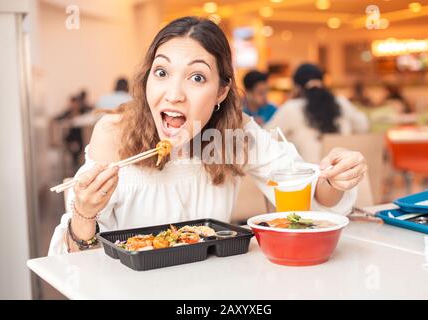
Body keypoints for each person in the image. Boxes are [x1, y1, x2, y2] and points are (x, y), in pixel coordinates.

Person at [49, 17, 366, 255]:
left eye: (197, 77)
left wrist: (333, 180)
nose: (173, 94)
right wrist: (84, 213)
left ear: (222, 90)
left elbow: (304, 194)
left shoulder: (233, 134)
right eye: (162, 73)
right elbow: (79, 260)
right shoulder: (115, 134)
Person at [266, 63, 369, 164]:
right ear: (322, 82)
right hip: (342, 172)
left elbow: (265, 137)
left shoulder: (291, 108)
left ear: (297, 87)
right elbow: (363, 125)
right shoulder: (341, 103)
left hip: (308, 176)